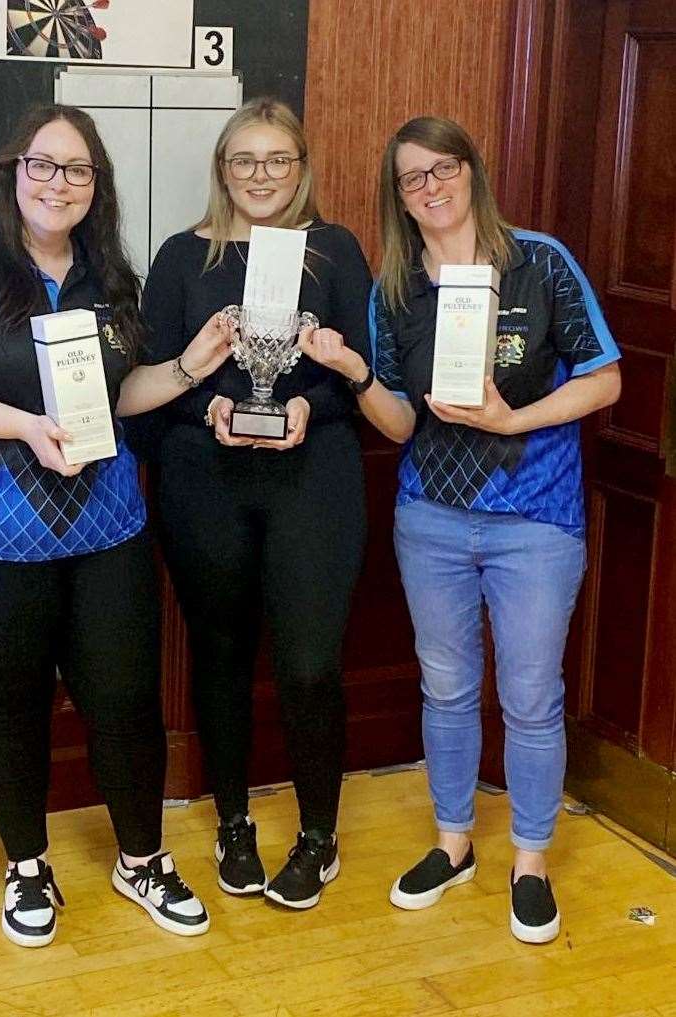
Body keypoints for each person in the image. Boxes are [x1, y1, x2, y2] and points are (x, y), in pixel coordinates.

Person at [0, 104, 234, 946]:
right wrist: (27, 426)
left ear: (95, 188)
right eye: (44, 165)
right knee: (11, 702)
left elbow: (112, 397)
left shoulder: (109, 274)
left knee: (123, 698)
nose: (59, 183)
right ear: (12, 172)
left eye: (78, 171)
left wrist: (190, 365)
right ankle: (27, 864)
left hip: (102, 527)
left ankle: (140, 859)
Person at [297, 115, 621, 943]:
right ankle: (452, 844)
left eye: (444, 168)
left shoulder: (540, 262)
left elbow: (604, 379)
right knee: (444, 687)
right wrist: (353, 370)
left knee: (530, 696)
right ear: (398, 198)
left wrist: (516, 420)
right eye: (413, 178)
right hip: (431, 521)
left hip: (534, 518)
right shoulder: (394, 291)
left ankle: (530, 859)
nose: (432, 187)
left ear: (472, 172)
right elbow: (400, 425)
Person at [141, 97, 373, 909]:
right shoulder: (180, 257)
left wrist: (312, 404)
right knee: (222, 656)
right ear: (221, 170)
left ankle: (318, 836)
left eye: (278, 160)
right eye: (244, 160)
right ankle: (233, 822)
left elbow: (361, 370)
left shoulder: (335, 250)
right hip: (206, 479)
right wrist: (202, 406)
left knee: (309, 665)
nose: (261, 176)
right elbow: (149, 380)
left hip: (315, 480)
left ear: (302, 167)